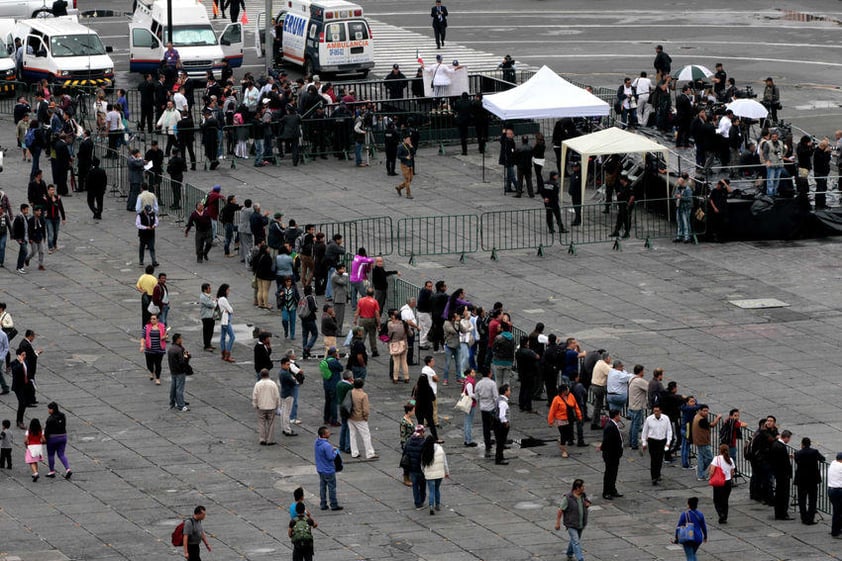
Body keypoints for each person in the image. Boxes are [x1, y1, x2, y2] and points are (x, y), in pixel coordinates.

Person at [554, 479, 590, 561]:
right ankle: (580, 559)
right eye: (582, 486)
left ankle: (569, 553)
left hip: (581, 523)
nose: (584, 488)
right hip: (571, 524)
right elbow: (560, 510)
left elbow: (587, 502)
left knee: (574, 540)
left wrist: (587, 504)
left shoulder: (583, 495)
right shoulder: (568, 498)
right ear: (577, 487)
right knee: (576, 541)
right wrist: (557, 523)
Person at [794, 437, 826, 525]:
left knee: (802, 500)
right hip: (812, 480)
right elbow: (822, 459)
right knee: (812, 500)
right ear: (810, 444)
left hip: (801, 480)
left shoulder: (798, 453)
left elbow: (797, 461)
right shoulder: (814, 452)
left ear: (802, 444)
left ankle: (803, 518)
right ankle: (810, 518)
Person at [642, 405, 673, 485]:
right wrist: (644, 442)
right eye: (654, 411)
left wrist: (668, 442)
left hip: (662, 440)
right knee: (653, 459)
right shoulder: (649, 419)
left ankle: (658, 473)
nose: (655, 413)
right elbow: (645, 431)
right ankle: (654, 477)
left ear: (660, 411)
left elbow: (669, 430)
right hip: (652, 441)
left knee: (659, 459)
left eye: (657, 411)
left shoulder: (666, 418)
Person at [548, 384, 581, 459]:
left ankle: (562, 442)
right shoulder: (556, 399)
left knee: (568, 434)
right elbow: (552, 411)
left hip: (569, 419)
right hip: (561, 420)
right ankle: (564, 451)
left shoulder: (571, 396)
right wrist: (550, 421)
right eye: (567, 389)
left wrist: (579, 416)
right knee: (563, 435)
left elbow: (576, 407)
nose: (568, 391)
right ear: (563, 391)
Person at [348, 378, 378, 460]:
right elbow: (366, 409)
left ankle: (354, 452)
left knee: (352, 434)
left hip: (350, 416)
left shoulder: (350, 392)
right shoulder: (363, 395)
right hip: (359, 418)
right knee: (366, 435)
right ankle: (369, 453)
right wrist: (365, 417)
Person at [314, 426, 343, 511]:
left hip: (320, 469)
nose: (329, 433)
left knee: (322, 487)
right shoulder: (326, 445)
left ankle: (323, 504)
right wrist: (335, 452)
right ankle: (333, 504)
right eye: (327, 433)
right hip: (328, 470)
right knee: (332, 488)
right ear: (323, 435)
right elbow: (331, 457)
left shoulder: (317, 442)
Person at [420, 434, 449, 515]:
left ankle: (431, 506)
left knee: (431, 491)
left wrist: (424, 471)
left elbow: (422, 464)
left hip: (429, 475)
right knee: (437, 489)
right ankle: (438, 505)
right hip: (439, 474)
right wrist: (447, 472)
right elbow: (445, 463)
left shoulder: (425, 450)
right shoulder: (440, 449)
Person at [708, 444, 736, 524]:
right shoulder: (730, 460)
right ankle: (725, 516)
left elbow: (712, 470)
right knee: (725, 500)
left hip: (719, 483)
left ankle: (721, 514)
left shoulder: (716, 459)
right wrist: (730, 479)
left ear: (720, 450)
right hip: (727, 482)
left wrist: (710, 477)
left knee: (717, 500)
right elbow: (732, 472)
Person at [691, 404, 721, 480]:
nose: (706, 413)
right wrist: (717, 418)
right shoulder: (701, 420)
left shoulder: (696, 416)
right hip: (703, 441)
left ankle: (700, 473)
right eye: (704, 411)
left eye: (707, 411)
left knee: (701, 457)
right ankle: (700, 471)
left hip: (698, 440)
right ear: (700, 411)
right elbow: (712, 425)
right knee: (710, 457)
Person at [770, 429, 794, 520]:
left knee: (779, 494)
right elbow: (783, 462)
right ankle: (783, 513)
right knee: (783, 494)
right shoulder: (781, 447)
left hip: (778, 474)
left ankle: (779, 513)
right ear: (786, 438)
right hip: (783, 475)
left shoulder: (775, 444)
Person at [43, 401, 71, 479]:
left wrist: (45, 438)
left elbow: (47, 431)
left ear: (52, 409)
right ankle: (68, 469)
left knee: (51, 455)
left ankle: (52, 471)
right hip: (63, 437)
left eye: (49, 409)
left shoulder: (50, 419)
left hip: (53, 438)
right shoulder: (63, 415)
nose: (48, 411)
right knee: (61, 454)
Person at [253, 368, 280, 445]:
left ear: (261, 375)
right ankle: (270, 439)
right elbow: (277, 396)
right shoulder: (273, 384)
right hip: (271, 406)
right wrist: (277, 405)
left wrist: (255, 405)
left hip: (261, 406)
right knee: (271, 424)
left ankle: (262, 438)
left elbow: (255, 396)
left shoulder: (258, 384)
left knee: (261, 423)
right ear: (268, 375)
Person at [601, 409, 623, 500]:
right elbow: (607, 442)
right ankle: (606, 491)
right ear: (616, 416)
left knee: (614, 473)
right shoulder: (610, 426)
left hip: (615, 454)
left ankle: (612, 489)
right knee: (609, 473)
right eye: (619, 415)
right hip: (611, 455)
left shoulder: (613, 425)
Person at [404, 424, 427, 508]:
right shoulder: (423, 442)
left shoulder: (409, 441)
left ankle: (417, 502)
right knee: (422, 485)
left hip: (412, 468)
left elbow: (405, 453)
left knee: (415, 486)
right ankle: (422, 499)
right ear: (422, 432)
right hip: (421, 468)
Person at [140, 314, 167, 385]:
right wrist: (142, 346)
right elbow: (143, 337)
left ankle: (157, 378)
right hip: (149, 349)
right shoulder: (147, 327)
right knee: (149, 364)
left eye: (154, 319)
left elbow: (165, 335)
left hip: (159, 349)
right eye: (151, 319)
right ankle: (152, 372)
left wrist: (165, 337)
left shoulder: (162, 326)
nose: (152, 320)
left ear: (158, 319)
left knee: (158, 364)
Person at [167, 333, 191, 412]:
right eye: (181, 338)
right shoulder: (179, 350)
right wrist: (187, 357)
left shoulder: (171, 349)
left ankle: (173, 402)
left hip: (173, 371)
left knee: (173, 387)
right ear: (178, 340)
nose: (182, 340)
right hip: (180, 371)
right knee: (179, 388)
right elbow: (182, 361)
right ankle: (181, 405)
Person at [319, 347, 342, 427]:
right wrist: (338, 359)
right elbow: (341, 368)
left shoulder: (325, 361)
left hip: (326, 385)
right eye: (336, 352)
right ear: (333, 353)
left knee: (327, 401)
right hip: (334, 384)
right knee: (334, 402)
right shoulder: (334, 361)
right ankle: (334, 420)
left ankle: (326, 418)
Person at [494, 384, 512, 465]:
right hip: (501, 425)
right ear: (505, 392)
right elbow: (502, 415)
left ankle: (500, 457)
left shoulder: (498, 399)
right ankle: (499, 458)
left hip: (497, 423)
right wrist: (506, 422)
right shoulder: (503, 402)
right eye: (509, 390)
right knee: (501, 442)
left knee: (500, 442)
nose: (510, 392)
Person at [217, 284, 235, 363]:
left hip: (223, 321)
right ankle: (227, 354)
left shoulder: (220, 299)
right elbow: (230, 310)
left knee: (223, 337)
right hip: (226, 320)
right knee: (232, 337)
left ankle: (223, 353)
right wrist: (229, 310)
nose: (229, 291)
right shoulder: (223, 299)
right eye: (228, 290)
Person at [395, 133, 414, 199]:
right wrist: (405, 157)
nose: (409, 140)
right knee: (407, 179)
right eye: (408, 139)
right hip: (404, 165)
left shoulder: (409, 145)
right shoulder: (400, 147)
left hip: (410, 164)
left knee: (410, 179)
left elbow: (413, 153)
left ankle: (399, 187)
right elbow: (398, 156)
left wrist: (411, 148)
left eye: (409, 139)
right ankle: (408, 194)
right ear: (404, 140)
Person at [199, 284, 216, 352]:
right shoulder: (203, 297)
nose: (210, 289)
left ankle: (209, 343)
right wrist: (214, 302)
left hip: (211, 316)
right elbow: (211, 305)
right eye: (209, 288)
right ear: (205, 289)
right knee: (207, 331)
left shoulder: (208, 296)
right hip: (206, 316)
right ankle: (206, 345)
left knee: (211, 331)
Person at [829, 451, 842, 537]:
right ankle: (835, 531)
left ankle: (836, 529)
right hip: (839, 491)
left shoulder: (833, 463)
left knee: (836, 511)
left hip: (831, 490)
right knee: (839, 512)